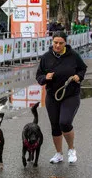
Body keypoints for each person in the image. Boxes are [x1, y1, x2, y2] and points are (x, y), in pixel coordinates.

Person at [36, 31, 87, 164]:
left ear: (65, 43)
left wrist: (79, 76)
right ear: (52, 42)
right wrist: (44, 78)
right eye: (55, 43)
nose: (57, 45)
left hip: (70, 94)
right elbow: (39, 75)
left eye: (60, 43)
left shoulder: (73, 56)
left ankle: (71, 149)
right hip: (52, 96)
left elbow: (82, 69)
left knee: (64, 122)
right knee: (55, 126)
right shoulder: (46, 57)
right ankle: (59, 153)